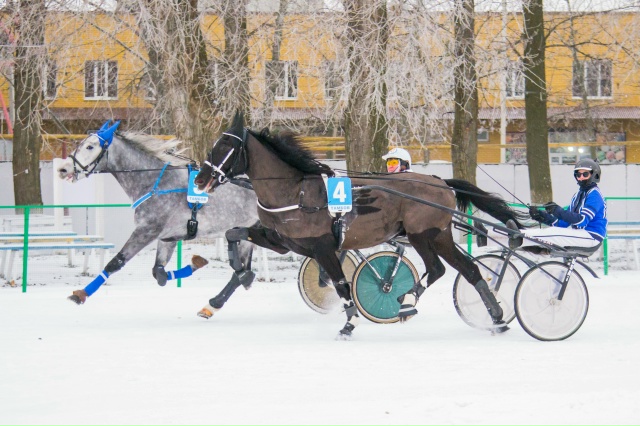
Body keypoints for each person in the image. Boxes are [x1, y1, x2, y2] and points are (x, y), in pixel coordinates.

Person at [515, 158, 607, 250]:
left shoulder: (594, 195)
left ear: (594, 175)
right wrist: (542, 216)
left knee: (554, 233)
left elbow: (582, 220)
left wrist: (558, 211)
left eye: (585, 174)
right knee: (554, 231)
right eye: (578, 174)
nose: (581, 177)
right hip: (581, 234)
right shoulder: (577, 195)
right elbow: (562, 224)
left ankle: (519, 236)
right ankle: (519, 236)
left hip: (592, 235)